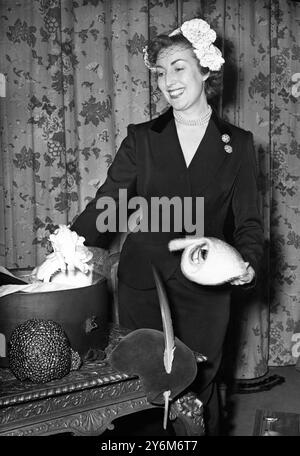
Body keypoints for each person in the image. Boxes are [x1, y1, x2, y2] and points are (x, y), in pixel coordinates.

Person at [38, 18, 265, 435]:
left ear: (206, 70)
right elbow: (109, 203)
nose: (167, 82)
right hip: (146, 284)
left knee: (200, 388)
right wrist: (67, 247)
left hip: (207, 289)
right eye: (160, 73)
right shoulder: (143, 137)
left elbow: (249, 221)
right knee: (143, 394)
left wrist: (246, 263)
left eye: (178, 68)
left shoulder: (240, 144)